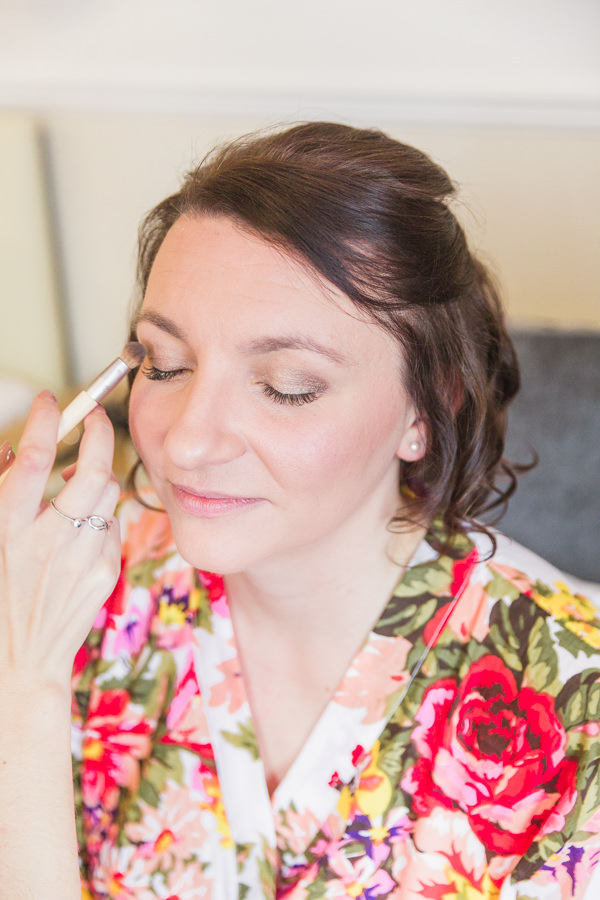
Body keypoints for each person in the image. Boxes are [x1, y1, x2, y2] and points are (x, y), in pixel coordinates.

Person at [1, 122, 600, 900]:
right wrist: (26, 682)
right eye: (166, 364)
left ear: (429, 406)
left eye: (287, 384)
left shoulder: (574, 709)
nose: (185, 442)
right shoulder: (64, 591)